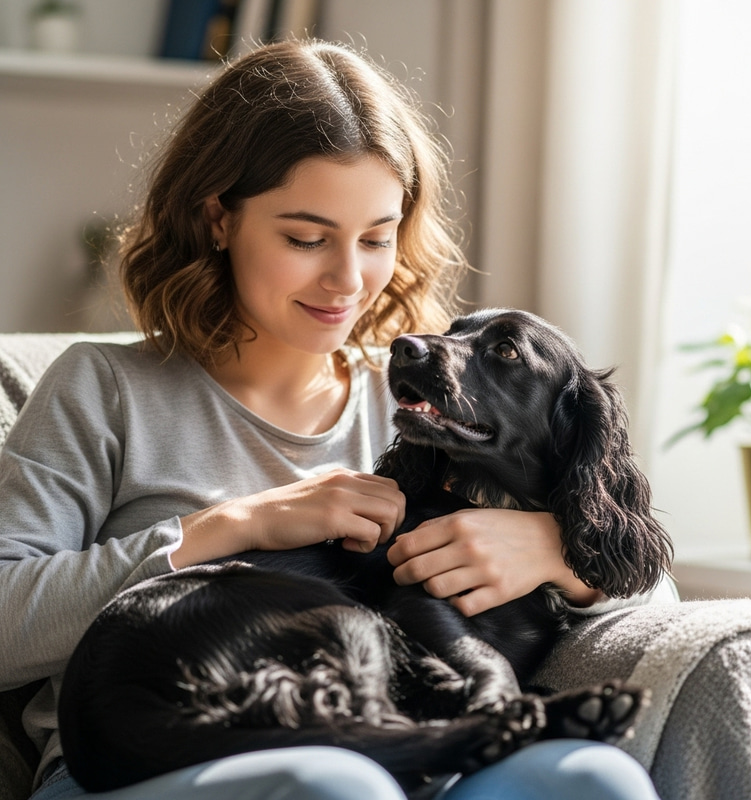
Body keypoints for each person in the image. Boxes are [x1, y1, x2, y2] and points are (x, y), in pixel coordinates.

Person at [0, 39, 671, 800]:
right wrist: (229, 527)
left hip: (408, 746)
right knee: (335, 785)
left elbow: (648, 586)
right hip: (148, 762)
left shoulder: (426, 405)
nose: (347, 279)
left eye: (377, 238)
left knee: (593, 775)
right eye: (305, 238)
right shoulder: (104, 389)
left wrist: (553, 553)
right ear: (218, 218)